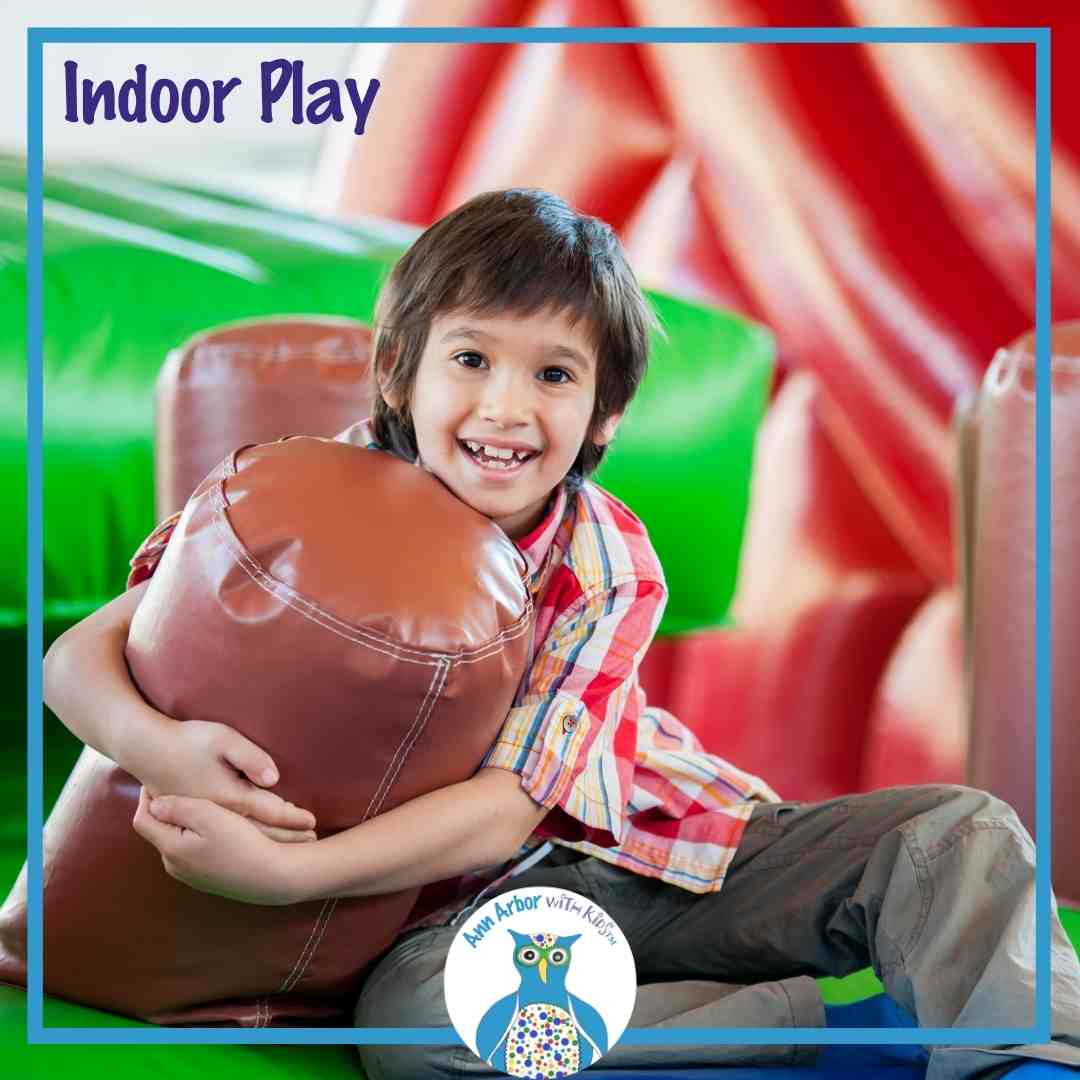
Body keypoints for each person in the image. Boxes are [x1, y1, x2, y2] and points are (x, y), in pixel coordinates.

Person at [45, 189, 1080, 1078]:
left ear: (604, 414)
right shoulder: (299, 495)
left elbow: (511, 805)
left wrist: (288, 877)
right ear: (400, 371)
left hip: (662, 854)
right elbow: (79, 656)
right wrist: (159, 748)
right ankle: (831, 1032)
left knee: (955, 834)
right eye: (470, 359)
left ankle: (1034, 1054)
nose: (505, 408)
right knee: (418, 1033)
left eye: (553, 376)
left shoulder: (605, 557)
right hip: (463, 914)